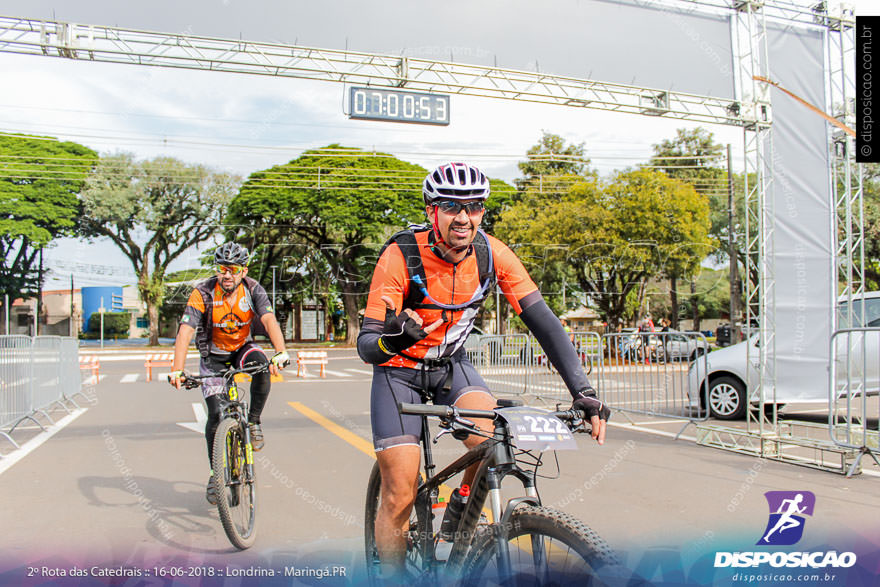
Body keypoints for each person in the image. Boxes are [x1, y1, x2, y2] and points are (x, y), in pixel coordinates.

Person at [357, 162, 611, 581]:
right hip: (397, 372)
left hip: (452, 365)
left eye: (474, 207)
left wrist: (583, 392)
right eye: (451, 206)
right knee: (400, 494)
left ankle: (460, 504)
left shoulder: (493, 253)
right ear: (431, 210)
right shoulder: (400, 254)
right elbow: (368, 346)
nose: (464, 217)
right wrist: (395, 339)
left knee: (490, 437)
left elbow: (543, 320)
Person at [168, 242, 290, 504]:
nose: (227, 275)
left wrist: (281, 351)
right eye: (222, 269)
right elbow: (186, 332)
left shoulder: (253, 289)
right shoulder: (201, 292)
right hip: (213, 357)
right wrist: (177, 369)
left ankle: (254, 421)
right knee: (214, 413)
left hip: (242, 349)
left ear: (243, 271)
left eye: (233, 269)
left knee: (262, 367)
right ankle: (215, 474)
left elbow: (268, 320)